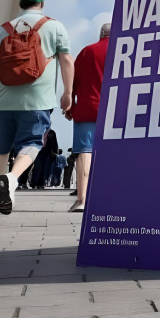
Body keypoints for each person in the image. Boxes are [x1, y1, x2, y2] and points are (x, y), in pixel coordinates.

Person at [0, 0, 74, 216]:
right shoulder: (53, 26)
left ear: (21, 4)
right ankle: (12, 179)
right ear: (41, 3)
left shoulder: (2, 29)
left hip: (3, 99)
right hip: (38, 99)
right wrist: (67, 92)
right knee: (32, 143)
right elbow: (66, 61)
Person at [65, 22, 110, 212]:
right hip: (113, 111)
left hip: (87, 108)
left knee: (85, 151)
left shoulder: (87, 51)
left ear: (100, 33)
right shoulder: (125, 50)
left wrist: (70, 106)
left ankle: (81, 199)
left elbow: (74, 80)